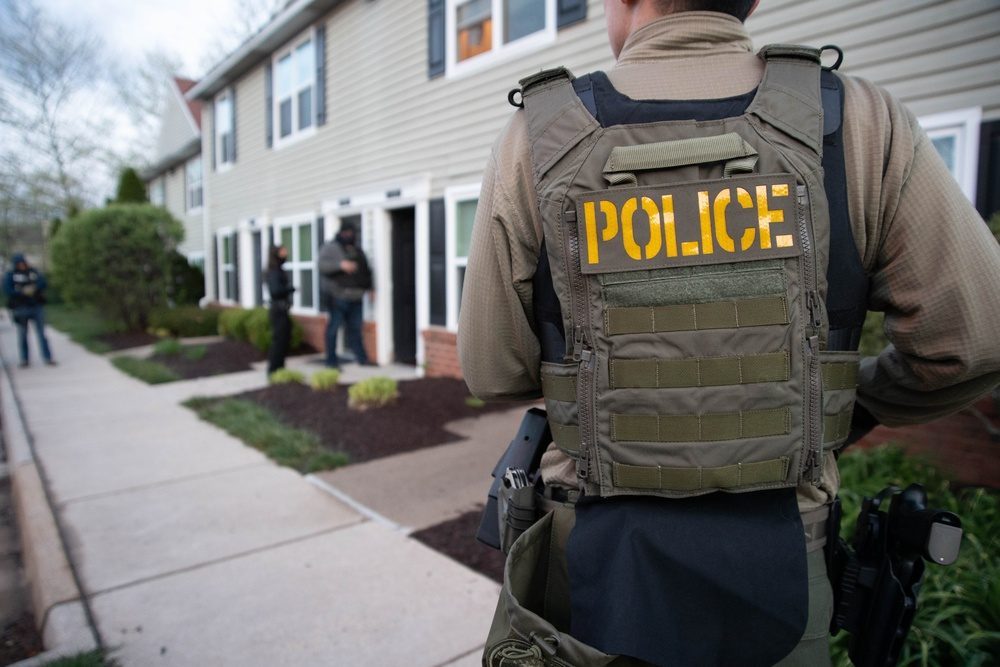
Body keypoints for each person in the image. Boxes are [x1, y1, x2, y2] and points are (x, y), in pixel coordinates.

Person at [458, 1, 1000, 665]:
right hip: (786, 568)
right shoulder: (857, 122)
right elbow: (974, 343)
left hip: (595, 571)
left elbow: (491, 367)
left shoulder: (536, 137)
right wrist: (831, 406)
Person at [318, 220, 373, 369]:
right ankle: (331, 361)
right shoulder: (330, 248)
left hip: (356, 297)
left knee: (356, 328)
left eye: (352, 233)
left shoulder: (357, 250)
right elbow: (321, 265)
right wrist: (340, 265)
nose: (350, 236)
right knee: (334, 328)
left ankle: (362, 358)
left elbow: (366, 271)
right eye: (347, 233)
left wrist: (370, 288)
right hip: (337, 296)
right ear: (341, 233)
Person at [4, 253, 55, 368]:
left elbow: (43, 282)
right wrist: (22, 292)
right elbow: (8, 290)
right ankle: (25, 359)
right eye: (19, 263)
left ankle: (48, 357)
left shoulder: (33, 272)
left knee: (41, 334)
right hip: (20, 307)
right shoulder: (11, 275)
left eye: (23, 263)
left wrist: (34, 288)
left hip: (36, 306)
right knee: (22, 335)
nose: (22, 265)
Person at [265, 245, 295, 375]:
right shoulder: (274, 272)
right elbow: (275, 291)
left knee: (285, 339)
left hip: (283, 309)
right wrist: (290, 289)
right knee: (279, 340)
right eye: (283, 252)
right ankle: (273, 370)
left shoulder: (279, 270)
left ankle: (280, 368)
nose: (286, 254)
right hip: (278, 310)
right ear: (276, 255)